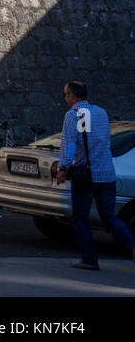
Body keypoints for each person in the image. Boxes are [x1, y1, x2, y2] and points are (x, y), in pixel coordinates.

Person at [51, 81, 135, 270]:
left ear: (72, 95)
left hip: (86, 175)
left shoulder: (73, 115)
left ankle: (89, 259)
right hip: (106, 173)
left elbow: (70, 145)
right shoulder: (101, 112)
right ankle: (132, 244)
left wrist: (63, 168)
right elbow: (104, 140)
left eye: (65, 95)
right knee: (109, 216)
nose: (65, 99)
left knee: (80, 218)